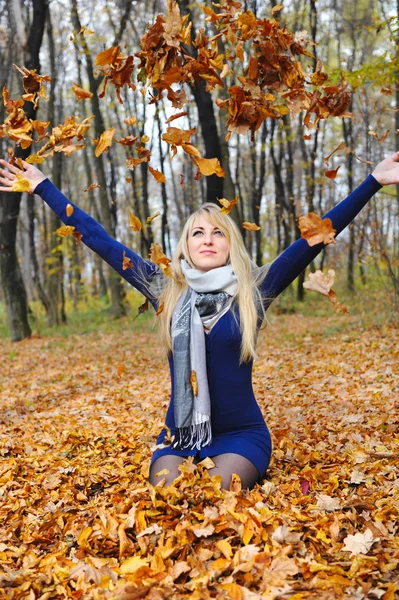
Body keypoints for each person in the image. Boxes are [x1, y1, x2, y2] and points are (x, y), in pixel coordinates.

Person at [1, 154, 398, 490]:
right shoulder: (166, 291)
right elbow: (101, 240)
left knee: (213, 495)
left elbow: (313, 240)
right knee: (171, 497)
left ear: (229, 245)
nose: (207, 239)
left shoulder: (254, 291)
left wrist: (373, 181)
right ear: (186, 246)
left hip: (241, 438)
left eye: (217, 233)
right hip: (179, 437)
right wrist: (43, 187)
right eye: (197, 233)